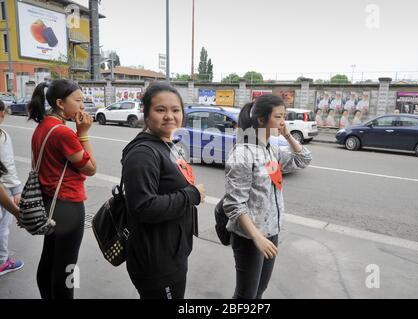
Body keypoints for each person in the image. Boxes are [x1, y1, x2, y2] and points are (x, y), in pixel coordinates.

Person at [122, 83, 206, 299]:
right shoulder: (143, 153)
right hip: (156, 261)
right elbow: (143, 207)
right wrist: (192, 195)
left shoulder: (167, 144)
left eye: (175, 110)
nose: (170, 116)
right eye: (161, 110)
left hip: (172, 252)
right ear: (146, 113)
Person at [223, 94, 312, 299]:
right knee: (246, 295)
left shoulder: (271, 150)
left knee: (259, 291)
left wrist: (288, 136)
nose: (283, 122)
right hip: (250, 237)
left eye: (284, 116)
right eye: (278, 117)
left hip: (271, 232)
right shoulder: (243, 154)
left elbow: (303, 159)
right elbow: (234, 204)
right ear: (261, 120)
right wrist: (257, 237)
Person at [28, 79, 97, 299]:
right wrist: (83, 132)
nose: (82, 106)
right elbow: (91, 169)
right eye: (78, 100)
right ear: (60, 103)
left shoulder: (44, 126)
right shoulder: (63, 133)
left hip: (50, 202)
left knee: (49, 258)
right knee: (68, 266)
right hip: (69, 206)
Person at [0, 101, 24, 277]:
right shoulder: (2, 136)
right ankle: (2, 262)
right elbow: (7, 166)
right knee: (2, 228)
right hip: (4, 191)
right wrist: (16, 192)